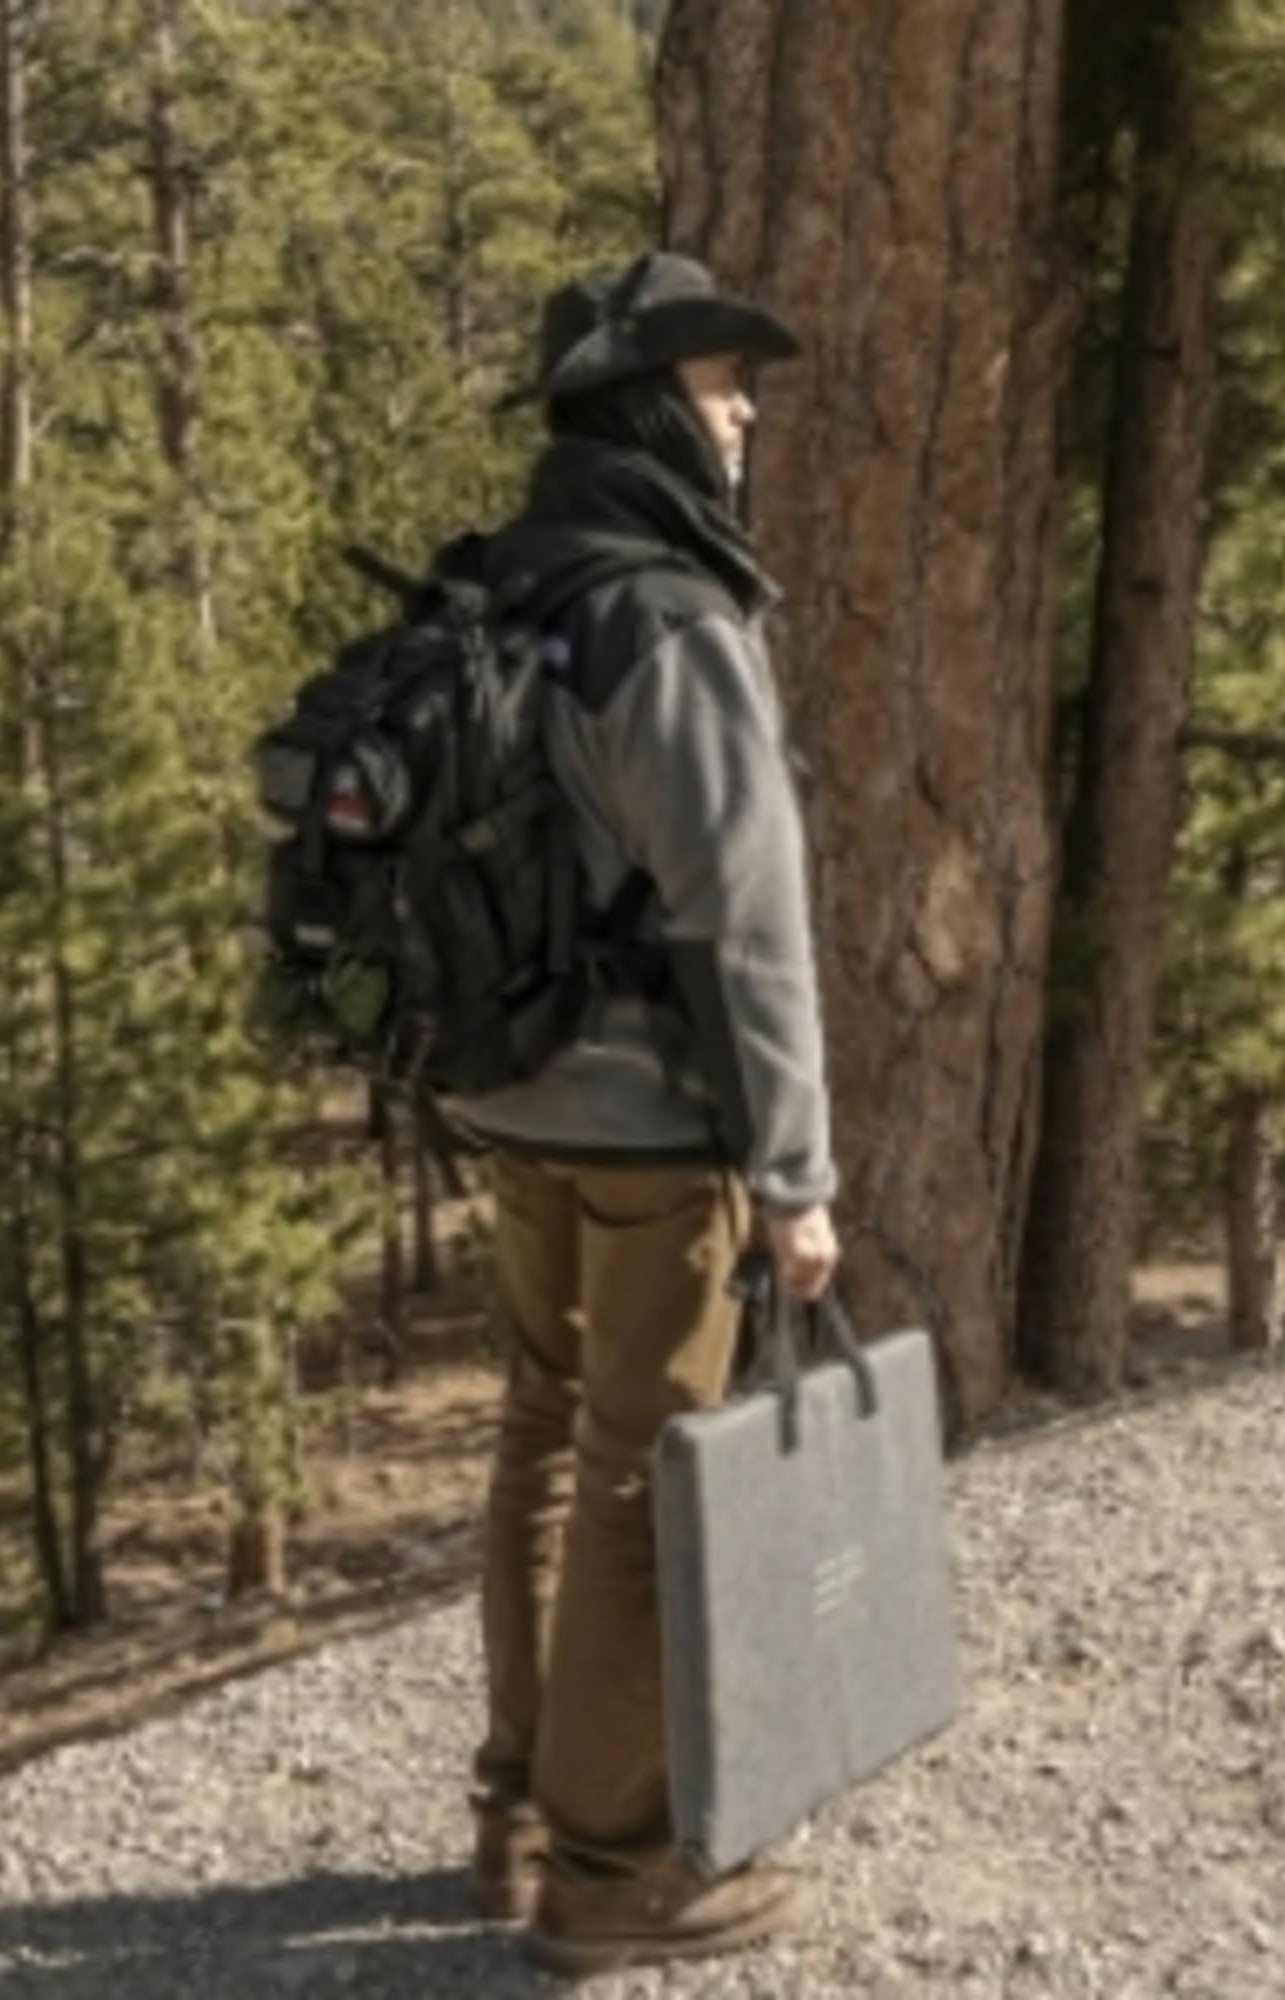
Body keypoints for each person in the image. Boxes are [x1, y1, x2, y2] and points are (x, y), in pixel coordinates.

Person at [451, 250, 841, 1977]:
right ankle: (618, 1874)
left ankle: (524, 1812)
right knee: (640, 1474)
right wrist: (797, 1176)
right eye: (715, 382)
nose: (744, 409)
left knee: (546, 1433)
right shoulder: (671, 622)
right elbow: (746, 922)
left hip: (511, 1095)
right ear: (643, 409)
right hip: (654, 1133)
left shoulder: (499, 581)